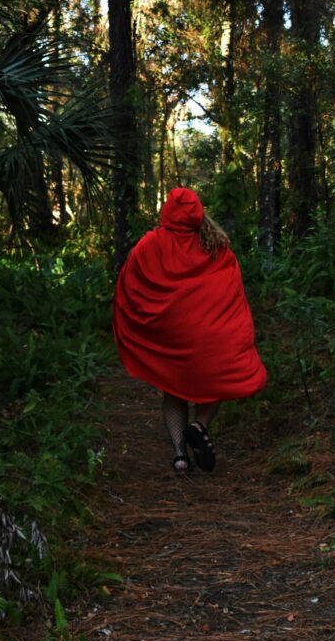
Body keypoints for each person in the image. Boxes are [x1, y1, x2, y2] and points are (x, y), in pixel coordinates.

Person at [113, 187, 267, 473]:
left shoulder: (149, 244)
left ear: (167, 212)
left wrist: (144, 325)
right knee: (219, 382)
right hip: (212, 338)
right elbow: (233, 293)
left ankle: (180, 456)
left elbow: (129, 284)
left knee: (174, 390)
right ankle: (200, 425)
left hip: (172, 338)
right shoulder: (217, 245)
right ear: (199, 212)